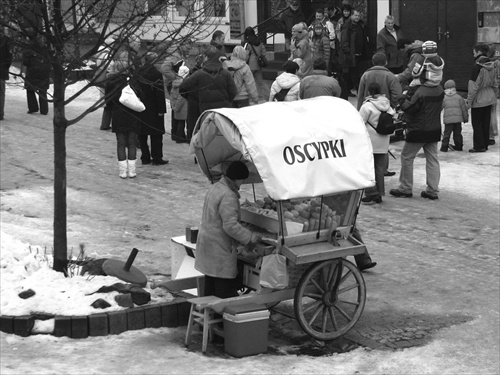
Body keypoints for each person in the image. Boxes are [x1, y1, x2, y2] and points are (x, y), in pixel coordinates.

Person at [195, 160, 260, 298]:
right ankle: (222, 317)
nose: (242, 184)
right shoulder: (228, 195)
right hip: (219, 247)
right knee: (222, 290)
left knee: (210, 286)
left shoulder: (216, 187)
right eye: (242, 180)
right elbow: (230, 225)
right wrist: (249, 237)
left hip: (207, 242)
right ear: (238, 179)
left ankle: (212, 314)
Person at [390, 62, 444, 200]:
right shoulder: (439, 90)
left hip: (418, 129)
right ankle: (432, 190)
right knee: (432, 159)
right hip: (434, 128)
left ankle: (405, 188)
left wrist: (402, 99)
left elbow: (409, 108)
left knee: (407, 157)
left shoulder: (420, 92)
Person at [357, 52, 402, 177]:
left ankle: (370, 169)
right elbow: (397, 94)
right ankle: (383, 169)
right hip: (385, 112)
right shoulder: (390, 76)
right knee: (384, 142)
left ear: (373, 61)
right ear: (386, 62)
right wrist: (391, 106)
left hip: (368, 110)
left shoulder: (365, 75)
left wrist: (360, 109)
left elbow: (360, 94)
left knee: (369, 144)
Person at [359, 82, 395, 204]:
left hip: (370, 140)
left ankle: (371, 193)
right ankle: (380, 193)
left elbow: (360, 122)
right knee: (380, 168)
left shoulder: (367, 106)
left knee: (369, 167)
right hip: (383, 140)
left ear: (369, 92)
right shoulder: (387, 104)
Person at [105, 65, 142, 179]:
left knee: (120, 144)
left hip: (118, 116)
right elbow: (141, 96)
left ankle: (122, 171)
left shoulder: (111, 82)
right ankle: (132, 171)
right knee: (132, 143)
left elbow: (108, 102)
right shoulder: (134, 82)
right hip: (132, 116)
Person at [179, 46, 237, 115]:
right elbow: (233, 91)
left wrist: (196, 99)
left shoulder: (199, 74)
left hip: (205, 111)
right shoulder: (225, 74)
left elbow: (183, 88)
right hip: (223, 111)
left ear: (206, 57)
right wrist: (226, 101)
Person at [466, 43, 499, 153]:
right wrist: (494, 95)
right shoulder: (492, 65)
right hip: (489, 97)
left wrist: (468, 102)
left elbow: (473, 87)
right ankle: (485, 143)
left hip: (479, 98)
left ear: (478, 52)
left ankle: (479, 146)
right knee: (485, 122)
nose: (473, 55)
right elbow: (495, 84)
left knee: (477, 123)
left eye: (474, 52)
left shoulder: (477, 67)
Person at [137, 52, 168, 166]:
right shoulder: (156, 74)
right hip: (154, 108)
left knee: (142, 134)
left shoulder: (138, 72)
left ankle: (145, 157)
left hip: (140, 106)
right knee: (156, 135)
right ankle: (157, 157)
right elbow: (159, 93)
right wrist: (162, 110)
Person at [159, 38, 192, 142]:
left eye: (190, 48)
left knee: (176, 106)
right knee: (177, 106)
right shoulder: (174, 55)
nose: (189, 50)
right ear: (182, 45)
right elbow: (164, 69)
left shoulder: (178, 54)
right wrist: (176, 78)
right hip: (174, 84)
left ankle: (176, 133)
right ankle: (177, 133)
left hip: (174, 83)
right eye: (187, 47)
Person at [339, 9, 371, 98]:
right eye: (355, 15)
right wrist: (348, 52)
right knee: (350, 74)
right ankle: (349, 91)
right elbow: (344, 41)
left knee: (357, 73)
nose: (357, 17)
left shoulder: (360, 25)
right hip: (351, 55)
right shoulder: (347, 26)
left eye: (358, 16)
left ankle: (355, 90)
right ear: (351, 16)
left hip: (360, 55)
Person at [22, 37, 51, 115]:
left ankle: (33, 107)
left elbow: (25, 62)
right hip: (44, 72)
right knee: (43, 90)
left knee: (30, 89)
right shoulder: (45, 49)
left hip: (32, 72)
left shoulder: (29, 49)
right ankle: (44, 110)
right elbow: (49, 60)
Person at [93, 37, 116, 130]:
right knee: (110, 102)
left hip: (102, 79)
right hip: (107, 79)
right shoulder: (106, 54)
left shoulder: (100, 53)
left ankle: (105, 124)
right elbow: (109, 66)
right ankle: (107, 124)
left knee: (107, 103)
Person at [441, 79, 468, 152]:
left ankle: (444, 147)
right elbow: (464, 109)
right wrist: (465, 118)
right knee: (457, 134)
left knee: (446, 134)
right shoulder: (459, 98)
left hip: (448, 120)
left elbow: (440, 107)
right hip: (457, 120)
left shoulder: (444, 98)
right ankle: (459, 146)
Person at [244, 27, 270, 103]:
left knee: (249, 82)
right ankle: (267, 96)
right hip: (258, 65)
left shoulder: (248, 43)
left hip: (250, 65)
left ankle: (252, 98)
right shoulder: (259, 41)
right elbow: (263, 52)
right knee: (261, 82)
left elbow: (245, 55)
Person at [0, 31, 13, 121]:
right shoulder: (6, 41)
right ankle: (0, 113)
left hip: (2, 70)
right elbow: (9, 57)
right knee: (1, 93)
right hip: (2, 71)